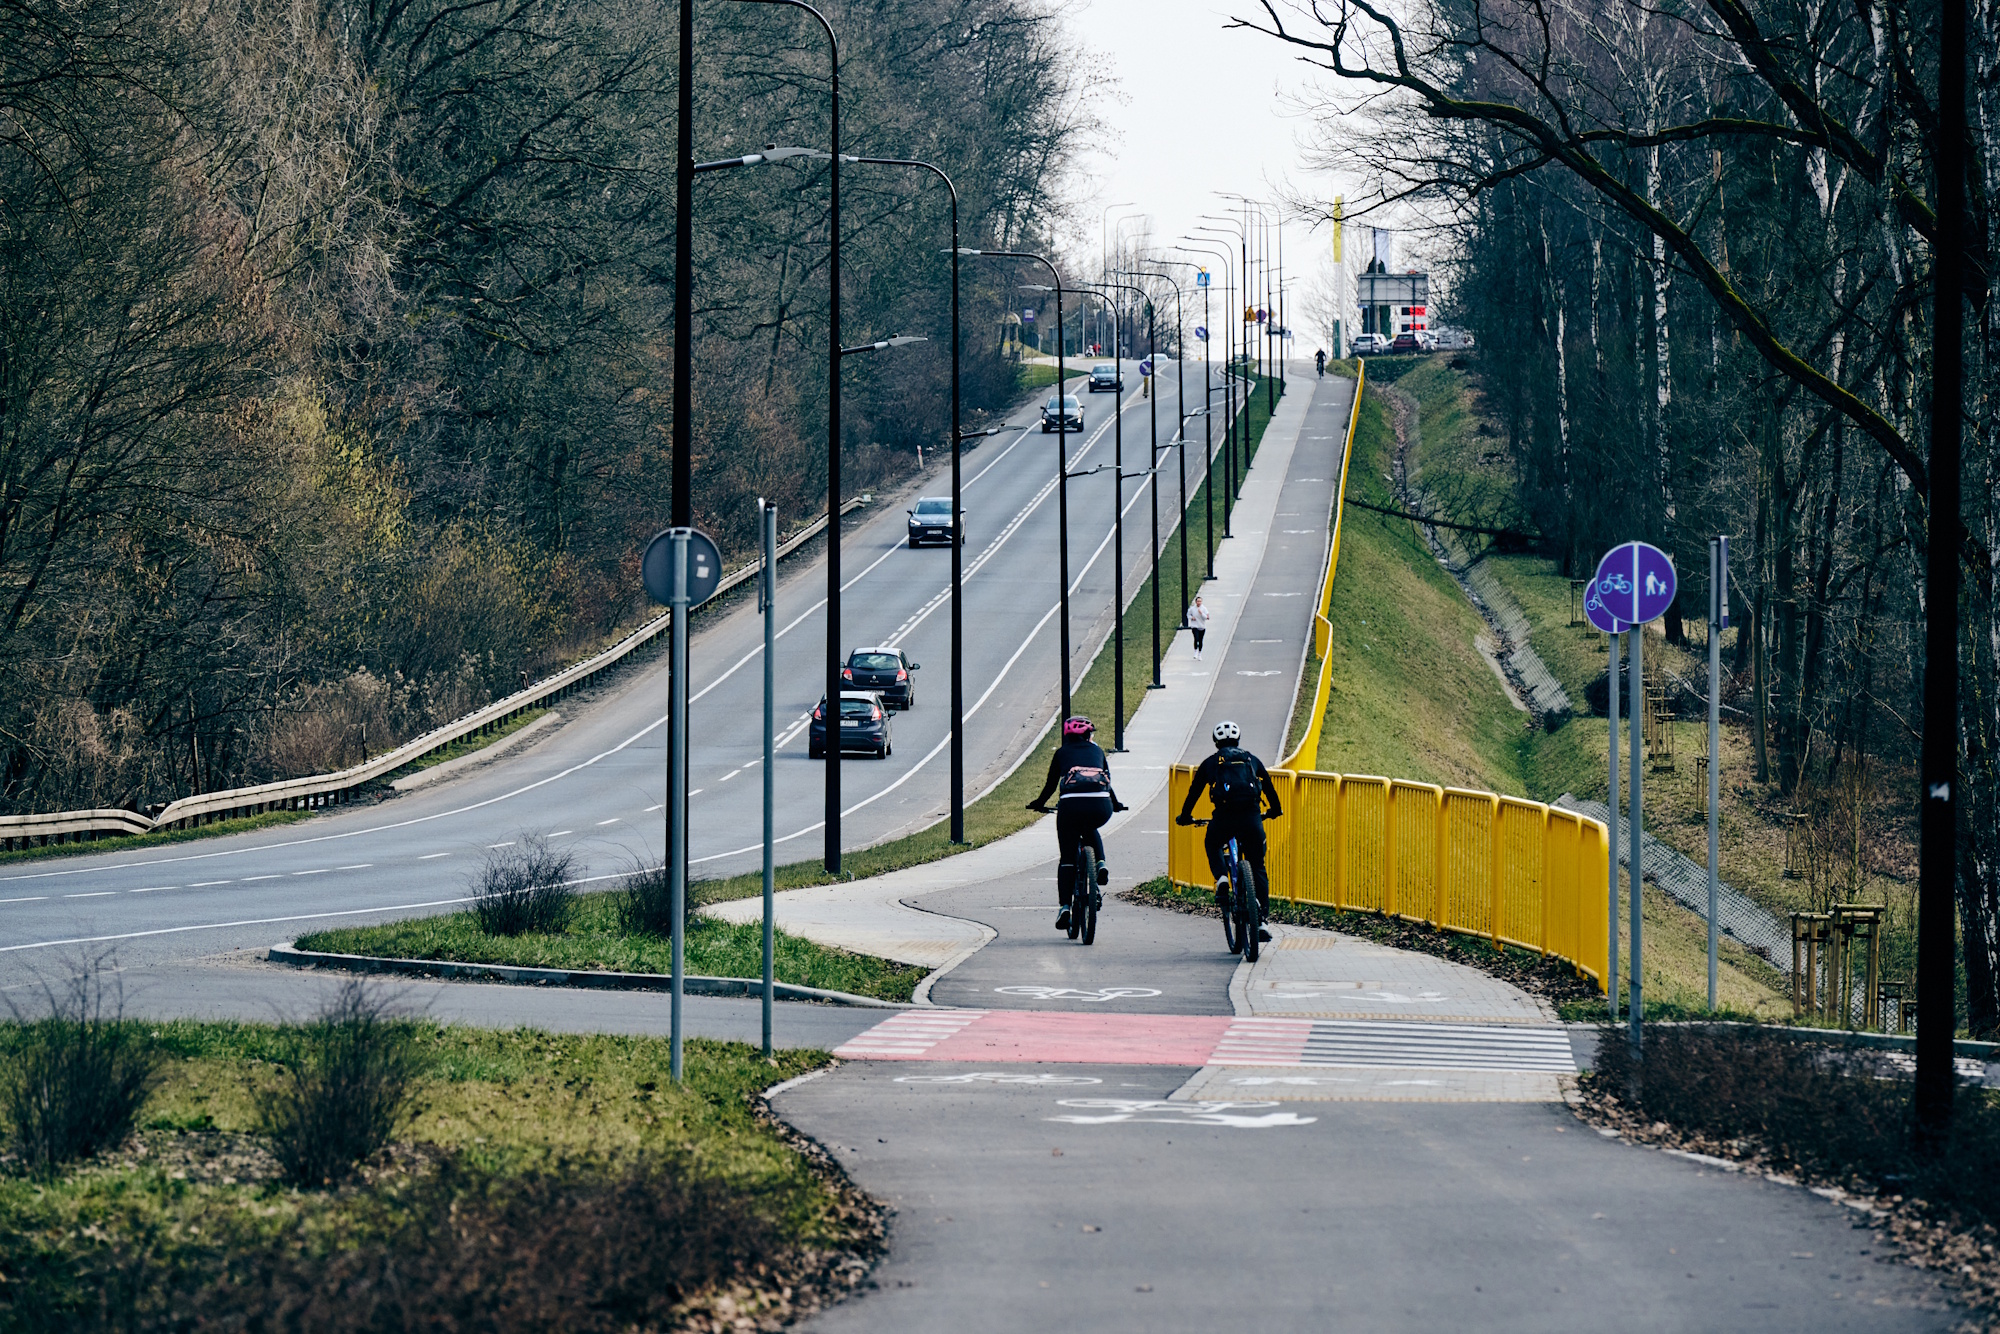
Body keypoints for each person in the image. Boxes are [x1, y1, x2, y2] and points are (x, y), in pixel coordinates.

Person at [1175, 720, 1283, 943]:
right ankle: (1261, 920)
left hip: (1224, 819)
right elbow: (1269, 788)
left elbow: (1194, 792)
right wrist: (1275, 810)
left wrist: (1185, 816)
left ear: (1216, 742)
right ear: (1238, 739)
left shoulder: (1211, 763)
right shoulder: (1251, 759)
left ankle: (1222, 878)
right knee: (1258, 866)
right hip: (1252, 819)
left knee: (1212, 843)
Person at [1027, 717, 1126, 931]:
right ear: (1088, 735)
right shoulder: (1098, 752)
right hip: (1101, 805)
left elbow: (1051, 785)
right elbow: (1107, 782)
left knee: (1068, 858)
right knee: (1090, 826)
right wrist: (1116, 805)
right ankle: (1100, 863)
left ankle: (1064, 907)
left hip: (1070, 807)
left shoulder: (1061, 753)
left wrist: (1038, 804)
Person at [1187, 595, 1211, 659]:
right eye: (1198, 601)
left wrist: (1201, 613)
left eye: (1200, 601)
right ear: (1196, 602)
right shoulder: (1192, 609)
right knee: (1196, 638)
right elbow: (1188, 615)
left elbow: (1207, 617)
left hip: (1202, 626)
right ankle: (1195, 651)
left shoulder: (1204, 609)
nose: (1199, 602)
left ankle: (1199, 654)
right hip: (1194, 625)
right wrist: (1192, 618)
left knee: (1200, 640)